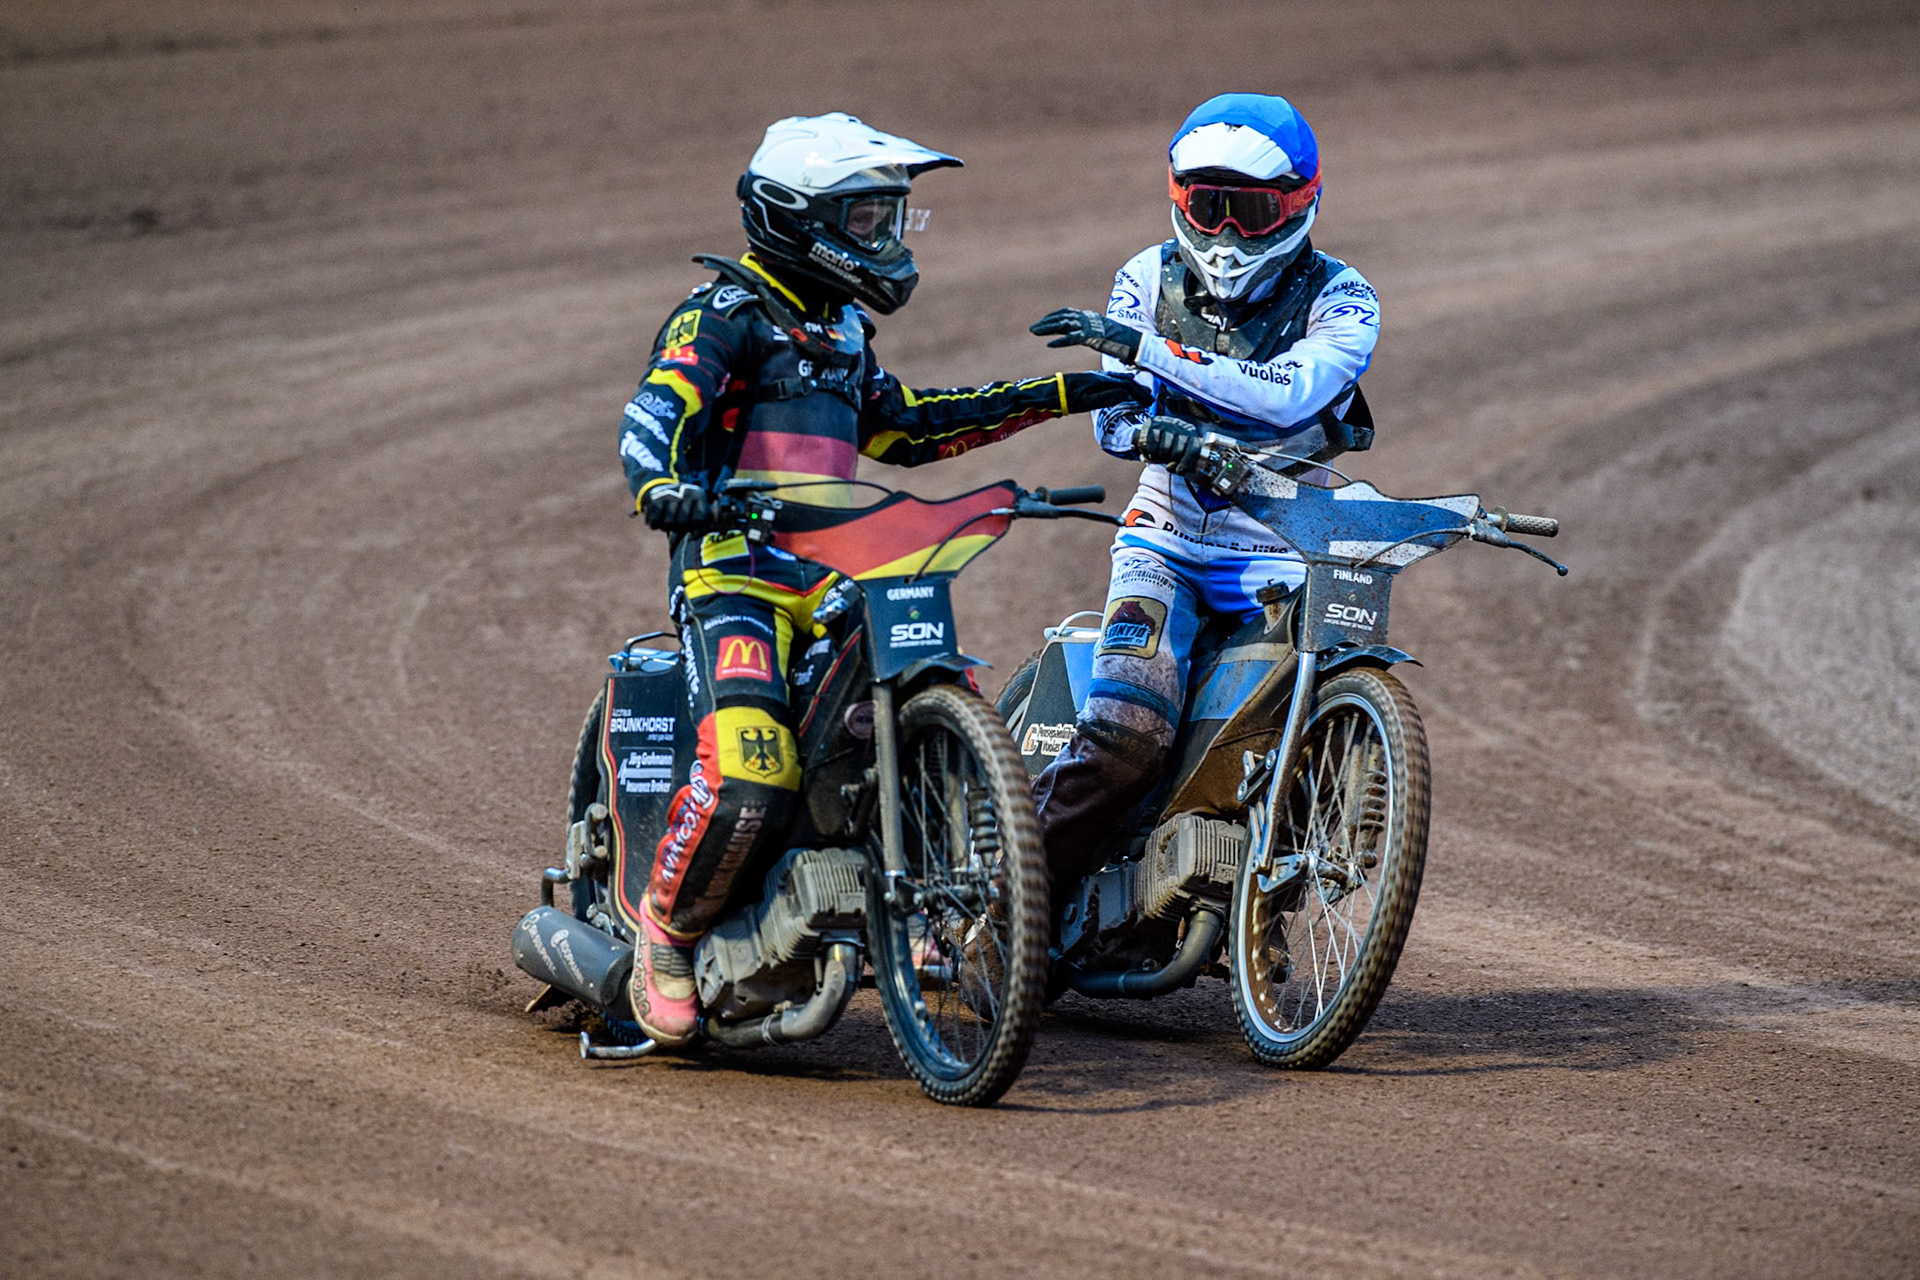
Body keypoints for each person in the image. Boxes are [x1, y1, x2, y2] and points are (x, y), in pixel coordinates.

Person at [617, 112, 1143, 1046]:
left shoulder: (844, 328)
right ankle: (667, 928)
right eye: (867, 221)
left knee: (927, 687)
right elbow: (652, 417)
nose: (887, 241)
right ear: (796, 217)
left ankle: (932, 898)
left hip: (833, 574)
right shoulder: (723, 315)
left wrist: (1059, 394)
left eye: (892, 219)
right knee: (752, 769)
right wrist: (662, 486)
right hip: (736, 574)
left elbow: (909, 428)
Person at [1026, 92, 1382, 894]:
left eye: (1250, 211)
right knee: (1125, 731)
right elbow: (1112, 426)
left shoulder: (1344, 295)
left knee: (1303, 722)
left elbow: (1292, 394)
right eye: (1208, 207)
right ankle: (1007, 915)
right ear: (1179, 200)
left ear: (1299, 204)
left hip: (1286, 553)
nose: (1225, 235)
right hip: (1168, 545)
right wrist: (1142, 402)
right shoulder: (1143, 276)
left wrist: (1151, 351)